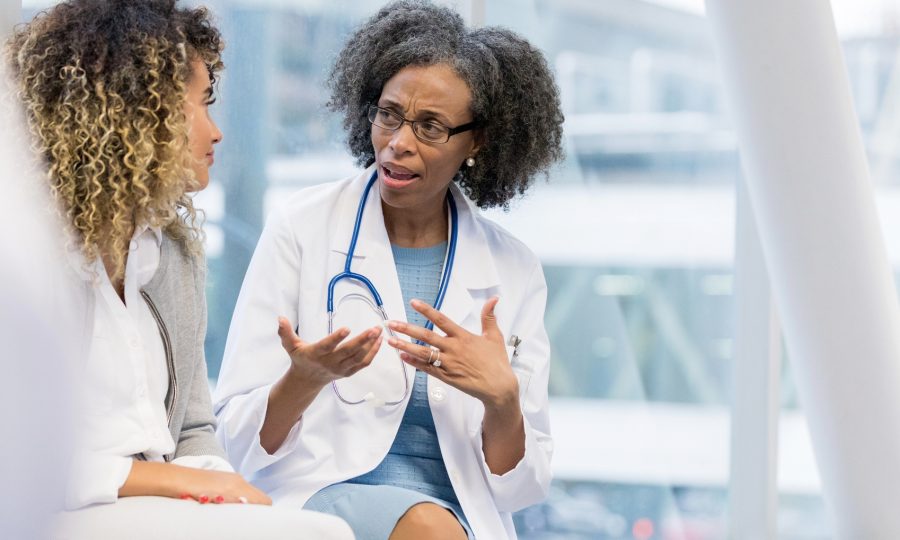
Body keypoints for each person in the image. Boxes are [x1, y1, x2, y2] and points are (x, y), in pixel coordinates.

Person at [213, 1, 564, 538]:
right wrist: (302, 382)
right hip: (322, 495)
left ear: (479, 140)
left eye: (430, 126)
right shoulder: (302, 229)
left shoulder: (512, 268)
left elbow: (522, 489)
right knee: (429, 527)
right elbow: (237, 443)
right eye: (390, 114)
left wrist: (502, 400)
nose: (398, 142)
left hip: (463, 520)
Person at [6, 1, 352, 538]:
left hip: (154, 508)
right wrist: (175, 483)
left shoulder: (170, 253)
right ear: (133, 116)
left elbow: (192, 430)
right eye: (200, 106)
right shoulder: (27, 257)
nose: (215, 133)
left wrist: (225, 492)